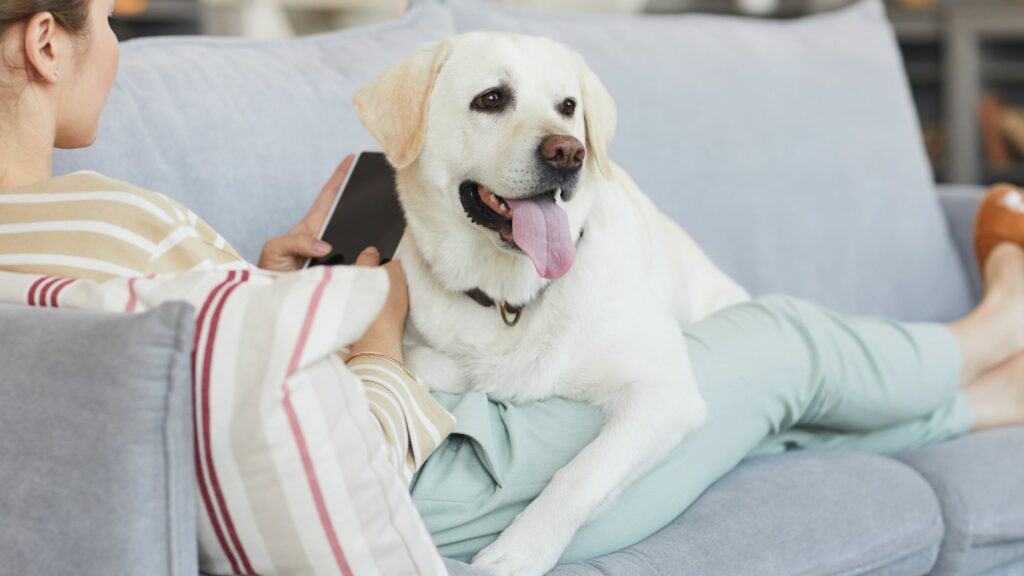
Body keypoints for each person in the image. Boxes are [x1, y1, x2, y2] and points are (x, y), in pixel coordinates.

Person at [0, 0, 1021, 566]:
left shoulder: (48, 242)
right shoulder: (112, 212)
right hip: (430, 478)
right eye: (104, 21)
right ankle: (987, 330)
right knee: (774, 345)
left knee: (749, 391)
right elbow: (309, 410)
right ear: (47, 41)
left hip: (430, 451)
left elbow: (202, 360)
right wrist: (381, 314)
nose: (121, 50)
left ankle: (973, 398)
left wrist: (268, 279)